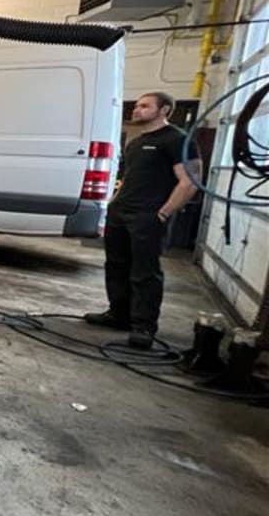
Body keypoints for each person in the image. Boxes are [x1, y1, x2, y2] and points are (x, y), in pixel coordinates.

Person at [85, 91, 201, 349]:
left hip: (148, 217)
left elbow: (190, 182)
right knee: (116, 266)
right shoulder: (137, 142)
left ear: (164, 110)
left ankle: (143, 328)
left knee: (144, 273)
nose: (137, 110)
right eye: (137, 106)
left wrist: (164, 213)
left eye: (145, 106)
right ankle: (118, 315)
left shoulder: (178, 140)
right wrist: (114, 203)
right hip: (121, 213)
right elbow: (129, 179)